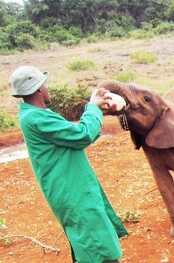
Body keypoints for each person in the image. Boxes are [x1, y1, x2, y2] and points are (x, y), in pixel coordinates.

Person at [9, 66, 128, 262]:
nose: (48, 88)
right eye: (44, 84)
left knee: (90, 238)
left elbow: (72, 134)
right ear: (39, 89)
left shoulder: (36, 115)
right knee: (96, 245)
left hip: (71, 187)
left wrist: (98, 112)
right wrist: (92, 107)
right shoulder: (36, 118)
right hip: (71, 191)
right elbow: (82, 135)